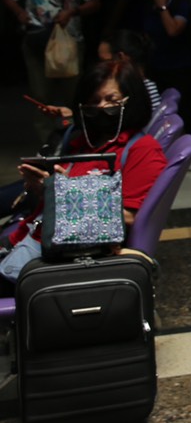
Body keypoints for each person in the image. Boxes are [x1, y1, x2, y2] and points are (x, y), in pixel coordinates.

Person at [1, 58, 168, 292]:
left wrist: (65, 195)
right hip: (34, 239)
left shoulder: (141, 149)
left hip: (59, 259)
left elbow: (131, 217)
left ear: (132, 101)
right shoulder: (85, 143)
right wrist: (44, 190)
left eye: (111, 100)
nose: (101, 107)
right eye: (93, 101)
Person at [4, 0, 104, 147]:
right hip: (36, 39)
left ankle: (76, 140)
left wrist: (73, 11)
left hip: (68, 41)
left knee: (74, 95)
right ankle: (48, 145)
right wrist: (19, 12)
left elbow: (95, 1)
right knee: (40, 97)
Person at [142, 0, 191, 167]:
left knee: (185, 111)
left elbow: (173, 30)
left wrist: (163, 7)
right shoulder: (147, 8)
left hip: (181, 66)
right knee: (159, 113)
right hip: (157, 67)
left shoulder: (180, 6)